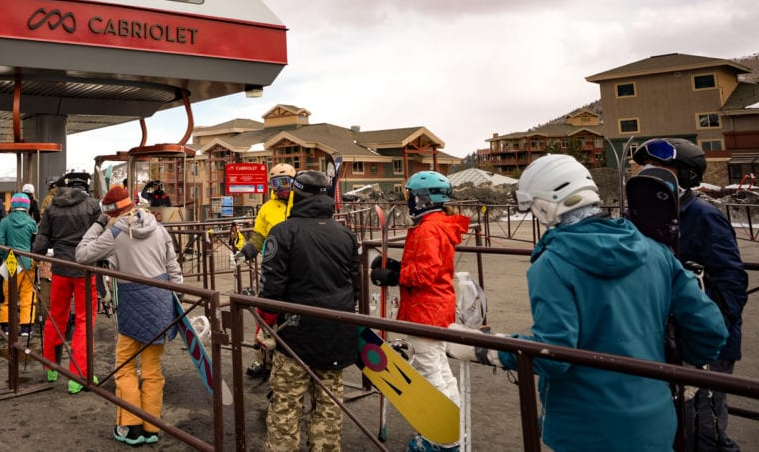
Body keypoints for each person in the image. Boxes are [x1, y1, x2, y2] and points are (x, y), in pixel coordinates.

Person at [449, 154, 727, 451]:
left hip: (584, 426)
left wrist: (481, 348)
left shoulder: (552, 264)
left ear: (544, 205)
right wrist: (688, 364)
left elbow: (552, 355)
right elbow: (711, 328)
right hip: (655, 420)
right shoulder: (655, 250)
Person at [632, 138, 748, 451]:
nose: (648, 172)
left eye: (660, 168)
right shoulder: (644, 217)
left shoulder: (702, 215)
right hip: (665, 336)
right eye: (645, 167)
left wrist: (712, 330)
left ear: (684, 174)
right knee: (676, 423)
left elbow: (731, 279)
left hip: (705, 340)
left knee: (704, 427)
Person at [259, 170, 362, 452]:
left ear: (296, 194)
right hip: (337, 330)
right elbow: (355, 286)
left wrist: (265, 324)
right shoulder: (345, 233)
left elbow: (271, 288)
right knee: (329, 406)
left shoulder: (283, 232)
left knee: (286, 406)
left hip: (295, 334)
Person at [370, 170, 469, 452]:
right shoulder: (437, 224)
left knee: (430, 372)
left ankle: (444, 439)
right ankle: (454, 428)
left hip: (426, 308)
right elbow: (432, 267)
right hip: (437, 304)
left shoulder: (427, 229)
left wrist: (393, 276)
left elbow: (425, 274)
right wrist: (399, 267)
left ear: (423, 199)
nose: (409, 203)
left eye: (411, 197)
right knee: (438, 367)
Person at [76, 184, 182, 446]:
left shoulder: (114, 232)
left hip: (133, 302)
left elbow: (82, 254)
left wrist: (99, 224)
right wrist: (177, 299)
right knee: (152, 369)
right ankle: (152, 426)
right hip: (161, 301)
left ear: (111, 211)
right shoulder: (158, 227)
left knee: (124, 366)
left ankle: (130, 426)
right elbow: (173, 267)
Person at [32, 171, 104, 394]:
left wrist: (37, 255)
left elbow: (42, 238)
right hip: (85, 269)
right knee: (84, 321)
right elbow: (102, 238)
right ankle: (78, 375)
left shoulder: (53, 206)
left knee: (55, 316)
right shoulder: (93, 206)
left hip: (61, 269)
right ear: (86, 186)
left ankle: (51, 367)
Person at [232, 163, 296, 379]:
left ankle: (289, 362)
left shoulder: (302, 204)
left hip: (298, 269)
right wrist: (246, 252)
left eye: (285, 182)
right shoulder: (267, 208)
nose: (281, 188)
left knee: (292, 316)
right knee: (265, 311)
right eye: (276, 184)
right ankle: (262, 358)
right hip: (273, 268)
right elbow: (259, 235)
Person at [0, 192, 38, 337]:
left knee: (9, 294)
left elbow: (0, 242)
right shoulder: (31, 222)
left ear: (12, 205)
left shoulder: (5, 222)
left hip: (11, 260)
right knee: (27, 294)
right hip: (27, 261)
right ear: (27, 206)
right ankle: (26, 327)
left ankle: (6, 325)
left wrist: (5, 257)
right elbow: (35, 243)